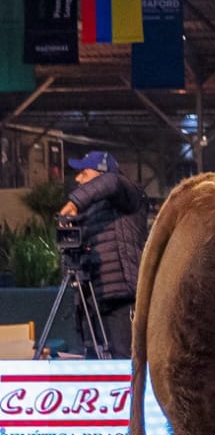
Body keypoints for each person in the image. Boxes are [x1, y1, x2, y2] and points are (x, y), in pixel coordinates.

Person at [57, 151, 147, 359]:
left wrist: (74, 203)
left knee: (125, 361)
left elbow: (112, 182)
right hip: (93, 298)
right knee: (94, 363)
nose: (78, 179)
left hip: (122, 299)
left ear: (101, 174)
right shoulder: (90, 210)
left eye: (84, 173)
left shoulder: (128, 196)